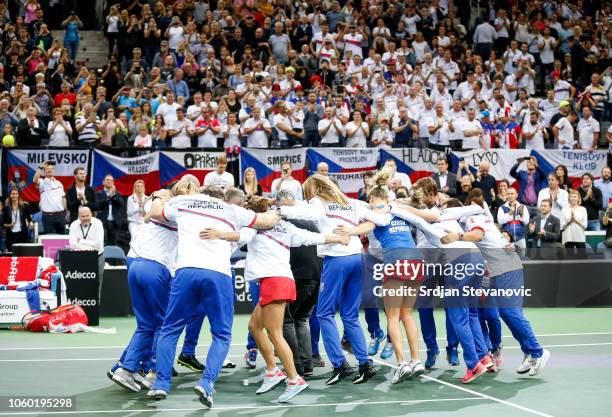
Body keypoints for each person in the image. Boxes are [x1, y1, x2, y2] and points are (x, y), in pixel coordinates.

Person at [145, 175, 281, 406]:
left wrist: (159, 195)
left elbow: (154, 214)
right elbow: (267, 221)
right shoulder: (231, 210)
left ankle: (160, 384)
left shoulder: (183, 202)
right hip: (218, 274)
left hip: (186, 271)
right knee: (221, 333)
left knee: (170, 329)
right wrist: (278, 212)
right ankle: (206, 383)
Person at [204, 196, 346, 401]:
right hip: (282, 281)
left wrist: (219, 234)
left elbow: (239, 235)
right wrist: (338, 238)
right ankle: (272, 370)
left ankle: (294, 379)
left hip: (274, 282)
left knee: (275, 334)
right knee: (254, 326)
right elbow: (312, 237)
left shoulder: (255, 226)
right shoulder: (285, 227)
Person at [278, 174, 386, 385]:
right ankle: (365, 364)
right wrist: (388, 209)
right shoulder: (352, 202)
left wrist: (279, 210)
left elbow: (305, 212)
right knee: (350, 315)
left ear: (313, 189)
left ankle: (340, 365)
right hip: (357, 257)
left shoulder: (318, 202)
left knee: (324, 313)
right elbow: (379, 219)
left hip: (336, 259)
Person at [441, 191, 551, 378]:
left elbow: (477, 235)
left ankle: (538, 351)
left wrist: (456, 237)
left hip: (507, 267)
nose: (441, 214)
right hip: (498, 268)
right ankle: (529, 351)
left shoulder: (469, 220)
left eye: (444, 210)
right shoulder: (475, 218)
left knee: (510, 312)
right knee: (505, 313)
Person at [336, 168, 425, 384]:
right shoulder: (400, 211)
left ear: (376, 198)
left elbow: (366, 225)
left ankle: (402, 364)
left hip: (395, 263)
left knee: (393, 317)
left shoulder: (378, 215)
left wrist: (349, 230)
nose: (368, 202)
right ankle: (416, 360)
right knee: (407, 315)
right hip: (415, 262)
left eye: (370, 199)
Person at [110, 188, 177, 393]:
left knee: (146, 323)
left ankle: (126, 369)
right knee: (164, 323)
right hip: (154, 267)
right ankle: (153, 373)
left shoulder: (154, 201)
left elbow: (153, 204)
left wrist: (159, 196)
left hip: (134, 263)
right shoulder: (177, 210)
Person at [275, 190, 323, 377]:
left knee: (287, 321)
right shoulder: (311, 221)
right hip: (317, 276)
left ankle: (295, 366)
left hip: (298, 277)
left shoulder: (282, 221)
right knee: (302, 320)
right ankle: (307, 362)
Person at [68, 206, 105, 299]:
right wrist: (90, 246)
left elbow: (98, 245)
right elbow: (72, 245)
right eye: (82, 216)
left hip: (97, 257)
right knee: (79, 283)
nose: (85, 218)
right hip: (79, 258)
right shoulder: (73, 225)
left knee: (97, 283)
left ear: (91, 215)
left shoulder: (98, 223)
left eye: (87, 216)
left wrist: (81, 241)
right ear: (78, 216)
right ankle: (80, 310)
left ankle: (96, 309)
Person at [33, 161, 66, 235]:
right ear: (44, 172)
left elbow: (63, 198)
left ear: (54, 171)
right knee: (48, 239)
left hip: (61, 215)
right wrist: (40, 167)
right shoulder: (42, 182)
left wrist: (66, 211)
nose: (49, 170)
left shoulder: (59, 183)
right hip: (48, 216)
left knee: (62, 239)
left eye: (51, 168)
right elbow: (34, 180)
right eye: (47, 169)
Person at [498, 187, 530, 254]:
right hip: (507, 239)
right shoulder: (502, 207)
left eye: (512, 194)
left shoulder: (522, 207)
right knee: (507, 259)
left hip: (520, 237)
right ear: (506, 195)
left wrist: (521, 215)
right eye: (508, 194)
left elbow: (526, 221)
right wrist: (510, 213)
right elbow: (500, 221)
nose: (510, 196)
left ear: (516, 195)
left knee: (522, 258)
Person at [96, 175, 124, 246]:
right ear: (103, 182)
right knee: (103, 243)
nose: (109, 181)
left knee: (113, 244)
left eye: (111, 180)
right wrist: (109, 196)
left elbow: (120, 204)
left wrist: (113, 195)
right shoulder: (99, 193)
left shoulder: (117, 193)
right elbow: (98, 205)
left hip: (114, 222)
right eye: (107, 180)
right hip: (103, 222)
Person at [561, 190, 588, 257]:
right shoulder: (564, 209)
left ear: (578, 198)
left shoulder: (583, 209)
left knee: (582, 258)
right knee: (569, 259)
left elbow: (585, 226)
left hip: (580, 237)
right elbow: (562, 226)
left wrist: (576, 220)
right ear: (569, 198)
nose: (573, 198)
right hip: (568, 237)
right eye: (571, 197)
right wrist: (569, 221)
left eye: (575, 197)